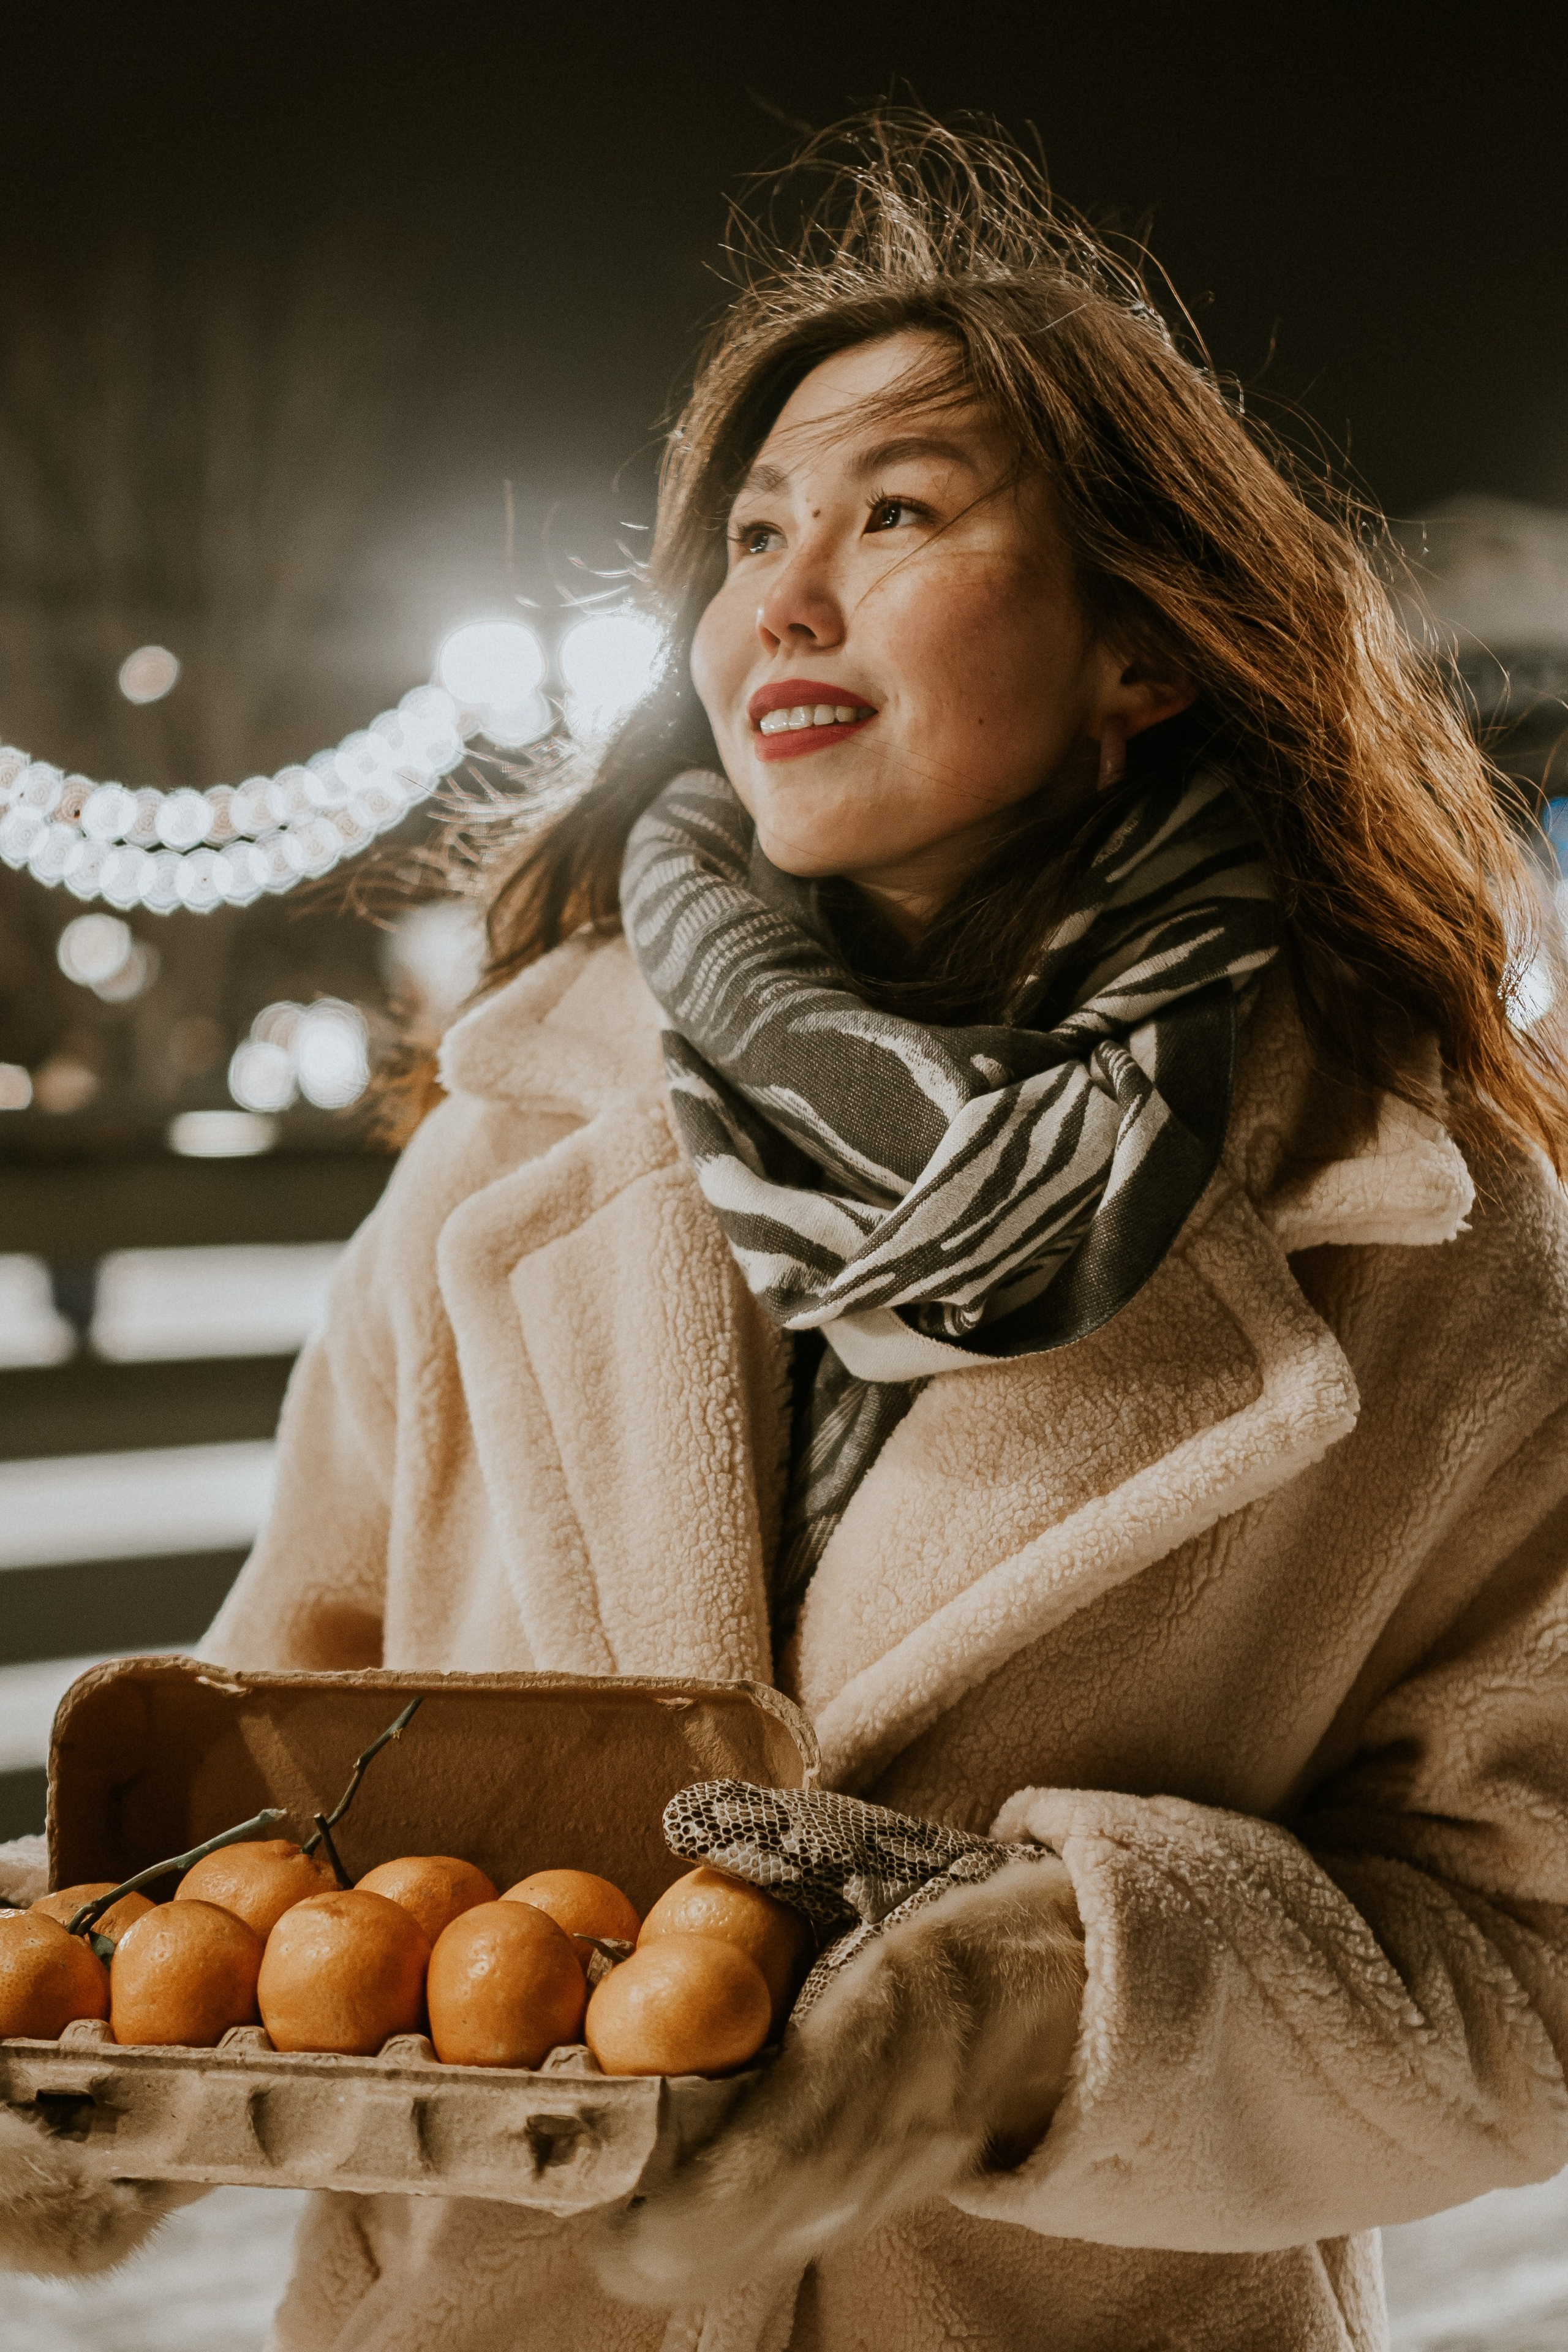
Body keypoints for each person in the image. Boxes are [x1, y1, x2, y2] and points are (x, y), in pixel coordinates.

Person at [6, 110, 1568, 2352]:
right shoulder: (509, 1144)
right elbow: (281, 1797)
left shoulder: (1422, 1231)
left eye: (896, 513)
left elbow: (1527, 1976)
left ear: (1144, 648)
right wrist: (82, 2037)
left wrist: (1055, 2002)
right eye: (750, 535)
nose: (783, 597)